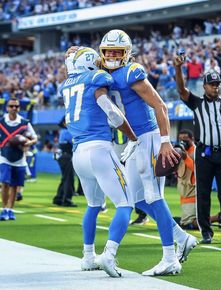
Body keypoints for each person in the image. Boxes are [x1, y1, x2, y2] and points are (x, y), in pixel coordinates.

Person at [66, 30, 198, 276]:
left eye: (118, 51)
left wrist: (165, 141)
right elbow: (82, 59)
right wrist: (73, 52)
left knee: (153, 196)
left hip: (147, 137)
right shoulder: (102, 73)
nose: (113, 56)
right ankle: (181, 237)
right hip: (133, 141)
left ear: (127, 53)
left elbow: (160, 105)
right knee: (136, 198)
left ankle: (170, 257)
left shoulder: (132, 71)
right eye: (108, 52)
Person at [62, 46, 138, 277]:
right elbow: (111, 112)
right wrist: (132, 137)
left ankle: (87, 256)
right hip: (99, 149)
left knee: (94, 206)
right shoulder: (96, 78)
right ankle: (109, 254)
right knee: (126, 204)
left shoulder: (67, 84)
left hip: (78, 153)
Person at [174, 53, 221, 244]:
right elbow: (182, 91)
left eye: (217, 84)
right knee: (204, 194)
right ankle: (206, 233)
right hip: (204, 154)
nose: (215, 87)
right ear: (204, 86)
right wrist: (177, 69)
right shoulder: (197, 103)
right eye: (212, 84)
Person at [0, 98, 37, 221]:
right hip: (4, 157)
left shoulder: (25, 123)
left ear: (19, 108)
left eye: (16, 106)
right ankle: (4, 209)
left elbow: (35, 138)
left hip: (19, 158)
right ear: (7, 108)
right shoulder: (1, 122)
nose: (14, 108)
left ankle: (10, 210)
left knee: (15, 186)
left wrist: (27, 142)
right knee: (5, 183)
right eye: (11, 106)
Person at [53, 116, 77, 207]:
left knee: (65, 178)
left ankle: (58, 198)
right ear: (64, 123)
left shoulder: (63, 131)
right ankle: (67, 200)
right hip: (67, 156)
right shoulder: (68, 132)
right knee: (69, 179)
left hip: (63, 156)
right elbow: (74, 142)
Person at [176, 129, 197, 230]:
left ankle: (218, 218)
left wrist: (185, 158)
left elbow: (197, 170)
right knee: (185, 223)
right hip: (184, 191)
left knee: (188, 224)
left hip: (193, 192)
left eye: (185, 139)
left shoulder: (196, 151)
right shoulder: (180, 151)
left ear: (192, 139)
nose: (182, 141)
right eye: (180, 139)